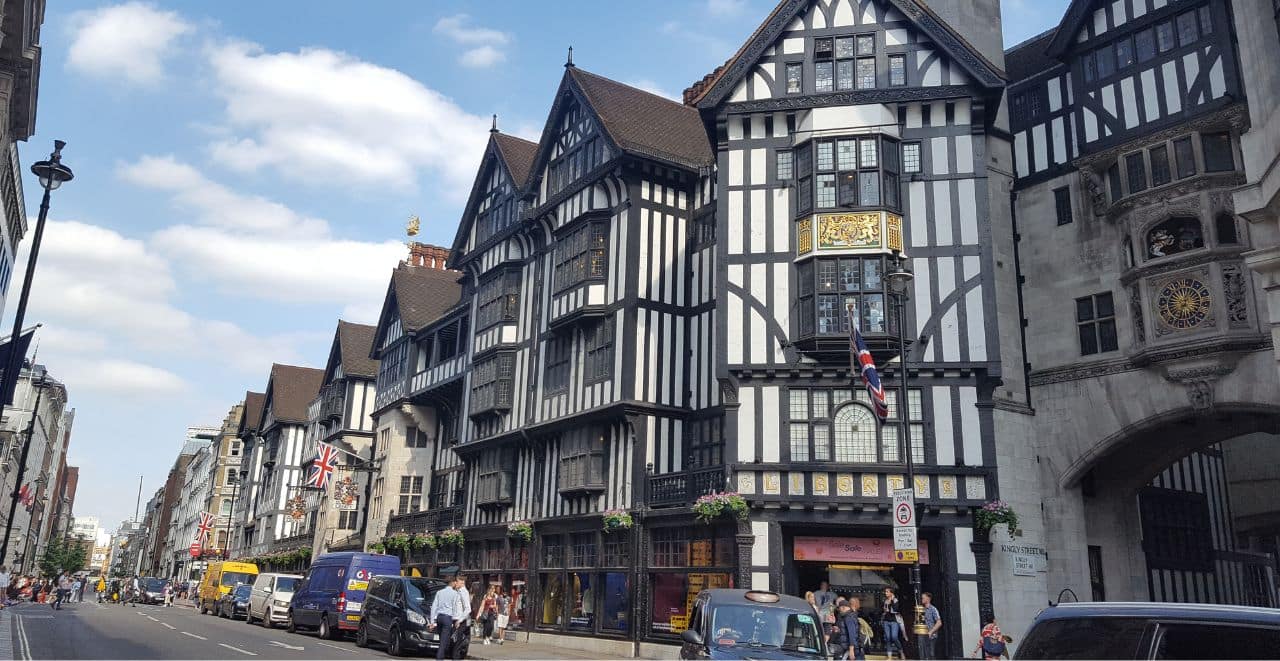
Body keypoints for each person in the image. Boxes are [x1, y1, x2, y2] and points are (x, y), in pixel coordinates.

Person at [429, 575, 470, 660]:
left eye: (457, 581)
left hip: (446, 619)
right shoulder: (456, 593)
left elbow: (434, 607)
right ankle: (440, 658)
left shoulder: (441, 592)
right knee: (445, 643)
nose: (456, 583)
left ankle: (441, 657)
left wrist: (432, 621)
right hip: (449, 619)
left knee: (447, 642)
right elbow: (454, 608)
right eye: (455, 581)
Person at [881, 588, 905, 660]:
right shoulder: (885, 601)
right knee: (888, 638)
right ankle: (889, 656)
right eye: (885, 592)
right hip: (886, 621)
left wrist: (891, 600)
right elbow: (884, 610)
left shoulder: (895, 600)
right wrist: (884, 610)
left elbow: (895, 609)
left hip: (894, 620)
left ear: (891, 593)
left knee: (894, 637)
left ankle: (901, 652)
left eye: (887, 592)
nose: (886, 593)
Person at [918, 592, 942, 659]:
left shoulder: (933, 609)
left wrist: (931, 632)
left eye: (923, 598)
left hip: (931, 636)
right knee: (924, 655)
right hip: (923, 635)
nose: (922, 599)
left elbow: (939, 622)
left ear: (928, 598)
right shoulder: (922, 609)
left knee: (931, 654)